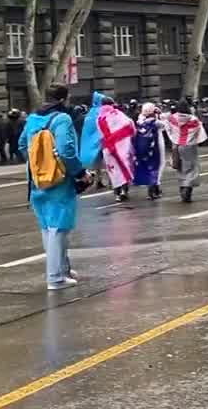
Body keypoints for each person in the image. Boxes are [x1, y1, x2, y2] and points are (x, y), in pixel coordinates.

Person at [19, 83, 88, 290]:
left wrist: (38, 165)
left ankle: (63, 269)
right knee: (59, 228)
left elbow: (22, 145)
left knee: (47, 227)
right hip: (59, 180)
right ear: (63, 99)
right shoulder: (62, 118)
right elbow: (66, 150)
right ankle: (55, 277)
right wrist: (80, 172)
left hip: (36, 180)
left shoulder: (32, 119)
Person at [80, 93, 136, 202]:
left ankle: (117, 192)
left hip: (107, 147)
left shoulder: (98, 117)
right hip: (120, 146)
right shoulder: (118, 114)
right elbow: (130, 125)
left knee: (112, 170)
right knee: (123, 168)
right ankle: (124, 190)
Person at [164, 101, 208, 202]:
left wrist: (173, 138)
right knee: (191, 167)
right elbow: (200, 132)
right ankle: (187, 187)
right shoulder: (193, 119)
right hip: (190, 146)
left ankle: (182, 186)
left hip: (176, 145)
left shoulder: (172, 118)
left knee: (179, 166)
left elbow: (167, 128)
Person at [133, 102, 166, 200]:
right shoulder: (155, 122)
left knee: (148, 167)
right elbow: (165, 125)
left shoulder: (140, 121)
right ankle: (154, 189)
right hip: (156, 145)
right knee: (158, 166)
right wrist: (159, 114)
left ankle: (152, 188)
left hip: (144, 148)